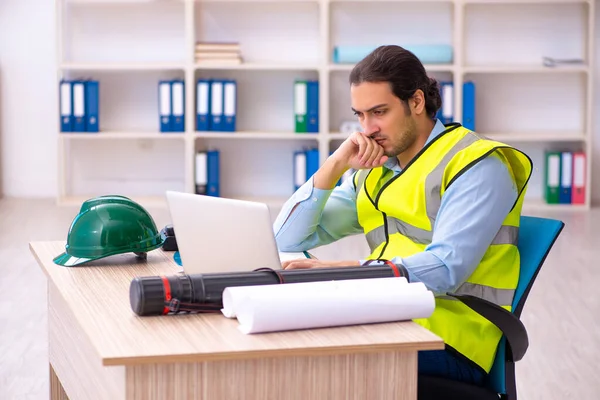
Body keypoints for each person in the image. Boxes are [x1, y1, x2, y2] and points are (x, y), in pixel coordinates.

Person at [273, 45, 533, 386]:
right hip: (388, 312)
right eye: (360, 115)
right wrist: (334, 163)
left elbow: (445, 268)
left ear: (416, 102)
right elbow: (287, 237)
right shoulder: (375, 170)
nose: (367, 129)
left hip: (451, 335)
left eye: (378, 112)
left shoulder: (476, 164)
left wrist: (347, 271)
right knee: (286, 339)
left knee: (311, 360)